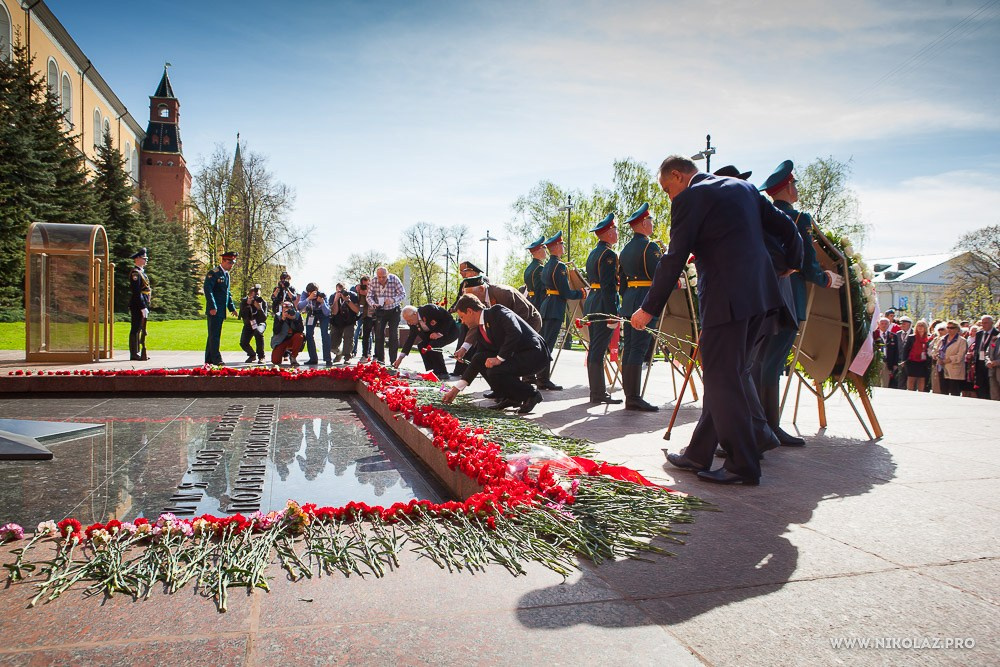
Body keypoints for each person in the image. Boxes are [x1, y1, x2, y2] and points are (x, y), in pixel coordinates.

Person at [634, 155, 802, 486]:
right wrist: (792, 262)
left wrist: (648, 308)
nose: (670, 197)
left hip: (727, 301)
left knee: (722, 377)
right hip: (763, 296)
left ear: (679, 177)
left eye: (668, 189)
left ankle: (744, 463)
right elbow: (787, 227)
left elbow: (673, 258)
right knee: (728, 375)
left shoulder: (690, 199)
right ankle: (699, 452)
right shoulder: (744, 188)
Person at [756, 160, 844, 446]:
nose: (796, 190)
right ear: (789, 188)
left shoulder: (760, 216)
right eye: (795, 185)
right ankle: (769, 427)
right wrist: (827, 279)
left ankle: (760, 424)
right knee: (772, 364)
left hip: (760, 296)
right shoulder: (797, 219)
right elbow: (805, 261)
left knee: (759, 362)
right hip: (788, 297)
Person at [441, 294, 547, 414]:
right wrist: (456, 389)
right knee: (481, 359)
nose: (462, 322)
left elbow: (515, 332)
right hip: (516, 356)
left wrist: (498, 358)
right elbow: (477, 360)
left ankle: (532, 394)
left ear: (470, 311)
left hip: (533, 355)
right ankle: (512, 397)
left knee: (495, 370)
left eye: (462, 317)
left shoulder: (498, 311)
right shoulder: (481, 329)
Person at [619, 203, 663, 411]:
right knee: (637, 348)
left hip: (629, 300)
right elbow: (659, 276)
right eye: (651, 221)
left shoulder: (625, 249)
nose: (653, 224)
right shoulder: (649, 247)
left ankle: (630, 394)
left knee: (629, 347)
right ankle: (634, 397)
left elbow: (623, 282)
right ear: (644, 223)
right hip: (644, 300)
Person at [583, 213, 623, 405]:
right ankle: (598, 393)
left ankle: (596, 391)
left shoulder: (593, 253)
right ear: (607, 232)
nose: (617, 232)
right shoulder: (608, 254)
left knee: (595, 349)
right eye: (614, 229)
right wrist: (612, 313)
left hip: (593, 302)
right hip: (602, 304)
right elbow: (608, 286)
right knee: (598, 350)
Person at [538, 231, 586, 391]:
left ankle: (542, 377)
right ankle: (543, 379)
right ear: (557, 247)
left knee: (545, 343)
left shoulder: (547, 266)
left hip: (547, 306)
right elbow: (566, 293)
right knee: (548, 345)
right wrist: (582, 293)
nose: (564, 246)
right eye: (562, 244)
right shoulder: (559, 267)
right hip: (555, 307)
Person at [394, 303, 459, 378]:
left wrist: (439, 333)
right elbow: (410, 339)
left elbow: (448, 319)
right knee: (422, 346)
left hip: (449, 331)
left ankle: (443, 372)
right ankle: (434, 370)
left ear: (415, 314)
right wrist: (400, 358)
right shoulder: (412, 323)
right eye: (407, 321)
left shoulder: (429, 309)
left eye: (409, 320)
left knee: (433, 345)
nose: (409, 323)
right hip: (433, 336)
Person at [204, 251, 238, 366]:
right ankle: (216, 358)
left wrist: (231, 308)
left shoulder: (226, 275)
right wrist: (212, 306)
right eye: (229, 262)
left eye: (233, 262)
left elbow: (227, 293)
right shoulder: (214, 273)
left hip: (221, 310)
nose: (231, 265)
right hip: (215, 310)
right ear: (223, 261)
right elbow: (208, 290)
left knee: (213, 334)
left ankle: (209, 358)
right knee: (214, 335)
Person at [369, 267, 406, 364]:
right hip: (380, 311)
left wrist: (393, 300)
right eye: (379, 277)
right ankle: (381, 360)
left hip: (394, 310)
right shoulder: (373, 281)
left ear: (388, 274)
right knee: (379, 335)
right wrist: (373, 304)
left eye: (384, 277)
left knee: (393, 335)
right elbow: (369, 296)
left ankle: (393, 361)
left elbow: (402, 293)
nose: (381, 279)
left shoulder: (394, 279)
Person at [297, 283, 332, 365]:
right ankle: (313, 358)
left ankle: (327, 359)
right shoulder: (305, 294)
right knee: (309, 334)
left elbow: (327, 312)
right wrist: (308, 298)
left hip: (322, 314)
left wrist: (322, 303)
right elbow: (299, 306)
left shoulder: (322, 295)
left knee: (325, 334)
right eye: (310, 293)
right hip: (312, 312)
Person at [128, 247, 151, 361]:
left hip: (144, 303)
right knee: (136, 328)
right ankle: (134, 353)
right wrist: (142, 307)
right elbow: (137, 292)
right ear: (137, 259)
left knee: (141, 329)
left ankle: (139, 351)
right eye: (143, 258)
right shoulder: (135, 273)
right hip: (138, 304)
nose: (146, 260)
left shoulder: (142, 273)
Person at [330, 283, 360, 364]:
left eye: (343, 290)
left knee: (348, 337)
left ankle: (347, 356)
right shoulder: (333, 296)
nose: (341, 293)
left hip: (349, 321)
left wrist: (347, 300)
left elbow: (357, 310)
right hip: (337, 321)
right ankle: (339, 353)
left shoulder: (352, 295)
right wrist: (336, 300)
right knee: (332, 343)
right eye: (339, 291)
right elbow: (334, 312)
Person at [238, 284, 268, 363]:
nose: (256, 297)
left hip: (259, 323)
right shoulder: (244, 302)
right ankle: (252, 355)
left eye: (257, 294)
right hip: (249, 324)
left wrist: (259, 308)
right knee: (243, 343)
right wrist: (247, 305)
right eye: (254, 295)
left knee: (258, 333)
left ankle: (261, 356)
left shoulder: (263, 302)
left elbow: (264, 318)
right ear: (249, 295)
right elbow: (241, 315)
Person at [270, 301, 305, 366]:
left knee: (300, 336)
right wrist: (282, 320)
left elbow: (301, 330)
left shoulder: (297, 315)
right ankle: (284, 353)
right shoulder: (278, 316)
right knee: (275, 361)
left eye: (289, 308)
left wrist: (294, 319)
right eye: (285, 308)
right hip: (281, 340)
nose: (287, 310)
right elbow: (276, 331)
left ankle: (293, 357)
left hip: (292, 339)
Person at [937, 321, 968, 396]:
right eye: (948, 327)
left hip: (954, 369)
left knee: (954, 391)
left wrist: (947, 360)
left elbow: (960, 356)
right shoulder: (942, 339)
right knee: (943, 390)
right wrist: (937, 356)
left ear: (957, 329)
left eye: (952, 328)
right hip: (942, 368)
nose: (949, 329)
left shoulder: (962, 341)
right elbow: (936, 350)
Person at [970, 315, 998, 399]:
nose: (983, 325)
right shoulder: (979, 334)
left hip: (990, 363)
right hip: (979, 362)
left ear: (992, 323)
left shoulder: (996, 334)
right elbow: (977, 347)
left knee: (990, 385)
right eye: (982, 323)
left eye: (986, 323)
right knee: (980, 384)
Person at [902, 319, 931, 392]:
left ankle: (921, 393)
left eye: (922, 326)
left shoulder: (929, 338)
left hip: (923, 362)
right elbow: (906, 350)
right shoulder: (911, 337)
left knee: (922, 379)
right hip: (912, 361)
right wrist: (904, 360)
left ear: (925, 327)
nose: (920, 328)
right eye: (918, 326)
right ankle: (910, 392)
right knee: (911, 379)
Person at [523, 236, 548, 312]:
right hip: (538, 304)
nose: (546, 251)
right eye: (544, 248)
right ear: (539, 250)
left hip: (530, 301)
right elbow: (539, 290)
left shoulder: (528, 268)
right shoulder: (539, 268)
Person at [353, 275, 374, 361]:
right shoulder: (361, 292)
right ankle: (364, 354)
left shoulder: (375, 289)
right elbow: (360, 303)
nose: (366, 287)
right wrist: (359, 293)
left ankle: (375, 355)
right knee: (365, 335)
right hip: (366, 314)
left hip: (376, 314)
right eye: (364, 285)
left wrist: (369, 293)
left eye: (367, 285)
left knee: (378, 336)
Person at [928, 323, 948, 394]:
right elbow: (930, 349)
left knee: (943, 384)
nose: (940, 331)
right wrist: (933, 354)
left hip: (944, 363)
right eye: (939, 329)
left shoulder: (947, 339)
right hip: (935, 362)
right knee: (935, 381)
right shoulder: (936, 339)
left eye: (942, 329)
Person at [985, 324, 1000, 400]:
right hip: (992, 370)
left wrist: (997, 362)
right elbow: (987, 352)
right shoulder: (995, 338)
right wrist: (988, 361)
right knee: (994, 395)